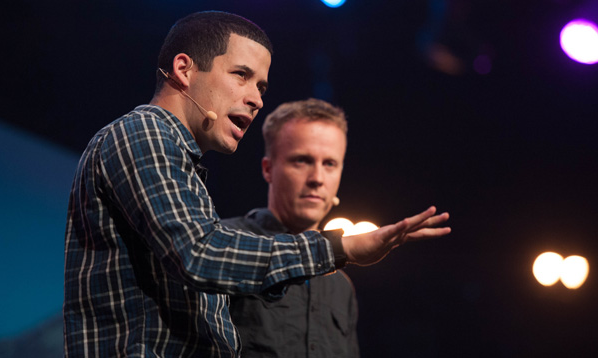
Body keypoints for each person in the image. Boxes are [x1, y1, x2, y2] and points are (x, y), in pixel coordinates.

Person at [64, 10, 451, 358]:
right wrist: (341, 246)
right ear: (184, 69)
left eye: (261, 87)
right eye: (242, 75)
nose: (256, 99)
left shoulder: (181, 163)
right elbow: (201, 254)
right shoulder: (143, 132)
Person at [224, 98, 359, 357]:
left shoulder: (341, 286)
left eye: (329, 164)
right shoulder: (223, 242)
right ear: (268, 169)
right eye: (302, 161)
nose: (317, 179)